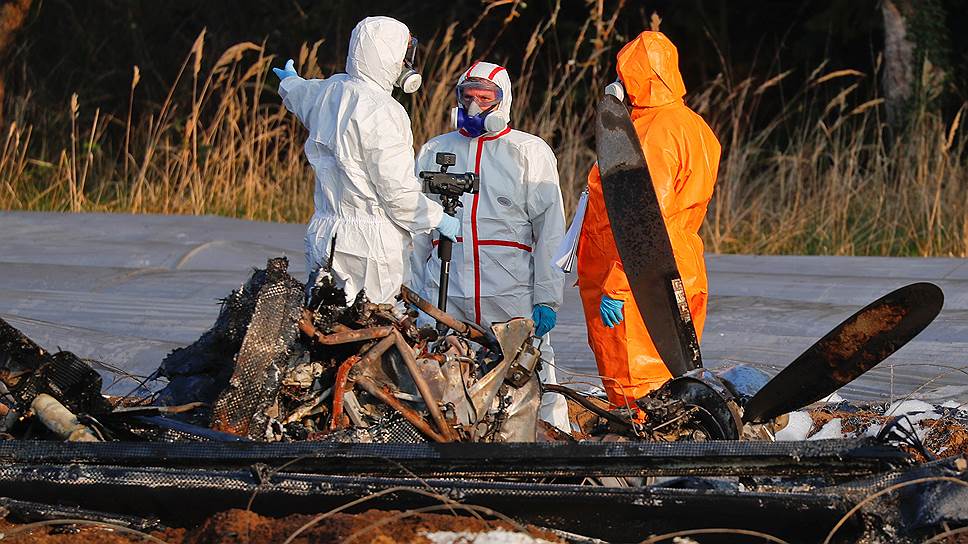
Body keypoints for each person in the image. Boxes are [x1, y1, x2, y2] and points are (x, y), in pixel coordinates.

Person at [410, 61, 571, 431]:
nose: (473, 106)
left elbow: (550, 232)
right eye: (467, 97)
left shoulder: (528, 152)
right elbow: (416, 232)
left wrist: (547, 298)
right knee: (441, 375)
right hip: (448, 289)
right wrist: (414, 295)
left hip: (509, 292)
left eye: (485, 98)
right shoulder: (436, 150)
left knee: (531, 372)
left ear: (503, 101)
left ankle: (554, 444)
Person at [576, 31, 721, 406]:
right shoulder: (695, 126)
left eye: (622, 75)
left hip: (639, 277)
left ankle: (639, 441)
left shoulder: (652, 132)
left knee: (635, 384)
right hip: (680, 263)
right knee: (674, 376)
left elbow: (643, 219)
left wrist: (617, 284)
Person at [273, 16, 460, 304]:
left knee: (324, 318)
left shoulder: (331, 90)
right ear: (389, 56)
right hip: (370, 246)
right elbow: (398, 194)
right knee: (377, 323)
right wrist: (438, 218)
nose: (406, 63)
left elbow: (302, 96)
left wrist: (290, 83)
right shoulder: (385, 112)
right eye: (403, 54)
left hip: (325, 234)